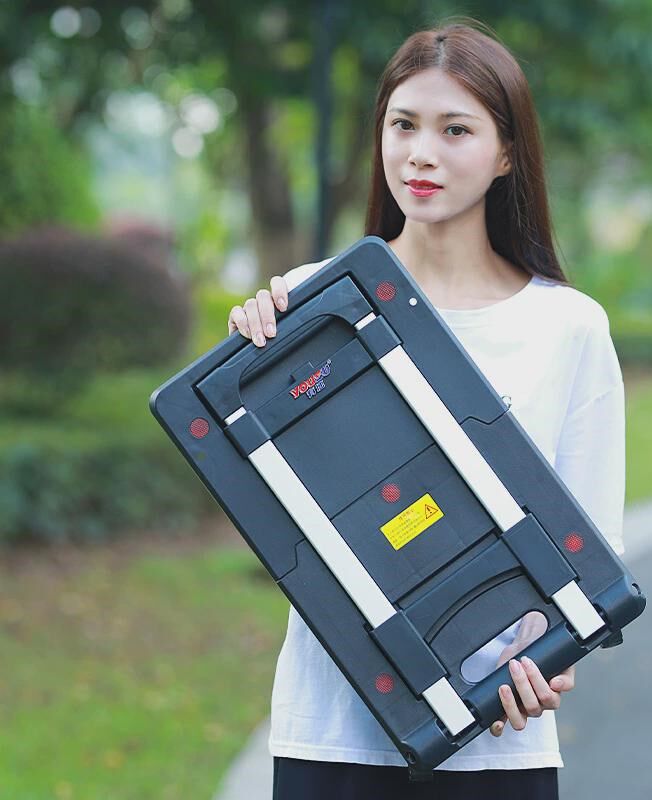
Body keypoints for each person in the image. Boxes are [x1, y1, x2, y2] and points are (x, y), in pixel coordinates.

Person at [227, 19, 625, 800]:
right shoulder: (312, 304)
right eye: (403, 124)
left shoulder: (568, 327)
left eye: (456, 129)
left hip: (497, 746)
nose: (420, 153)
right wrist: (248, 358)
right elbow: (274, 517)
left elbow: (593, 561)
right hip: (331, 736)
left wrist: (546, 661)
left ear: (507, 153)